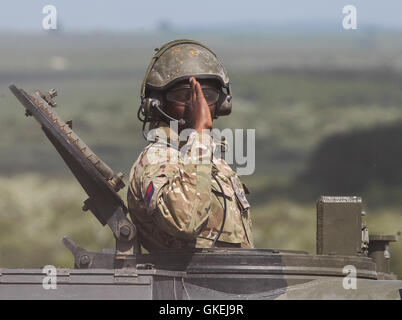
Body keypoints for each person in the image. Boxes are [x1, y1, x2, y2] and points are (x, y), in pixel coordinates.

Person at [127, 39, 253, 251]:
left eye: (208, 96)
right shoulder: (156, 160)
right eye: (185, 96)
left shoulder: (208, 160)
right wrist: (201, 133)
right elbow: (185, 222)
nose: (198, 106)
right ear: (156, 103)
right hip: (183, 283)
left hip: (227, 281)